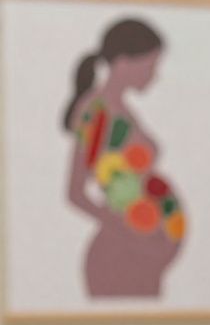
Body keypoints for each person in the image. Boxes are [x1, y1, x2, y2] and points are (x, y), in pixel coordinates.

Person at [63, 18, 187, 297]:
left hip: (140, 252)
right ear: (123, 63)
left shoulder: (119, 109)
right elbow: (75, 192)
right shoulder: (96, 112)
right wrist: (124, 229)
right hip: (120, 254)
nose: (154, 75)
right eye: (150, 66)